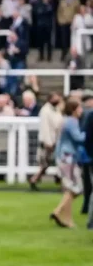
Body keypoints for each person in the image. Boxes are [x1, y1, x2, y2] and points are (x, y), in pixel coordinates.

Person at [50, 99, 86, 228]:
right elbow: (78, 137)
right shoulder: (72, 122)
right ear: (74, 110)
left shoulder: (66, 121)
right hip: (68, 157)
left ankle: (67, 219)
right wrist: (88, 133)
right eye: (79, 108)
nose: (81, 110)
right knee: (76, 188)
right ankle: (58, 211)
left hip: (64, 156)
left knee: (70, 189)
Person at [30, 92, 64, 190]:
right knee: (45, 164)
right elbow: (45, 127)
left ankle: (35, 180)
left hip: (55, 140)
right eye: (56, 98)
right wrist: (48, 142)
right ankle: (34, 180)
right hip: (47, 142)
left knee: (53, 163)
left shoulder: (56, 109)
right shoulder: (45, 111)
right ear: (50, 99)